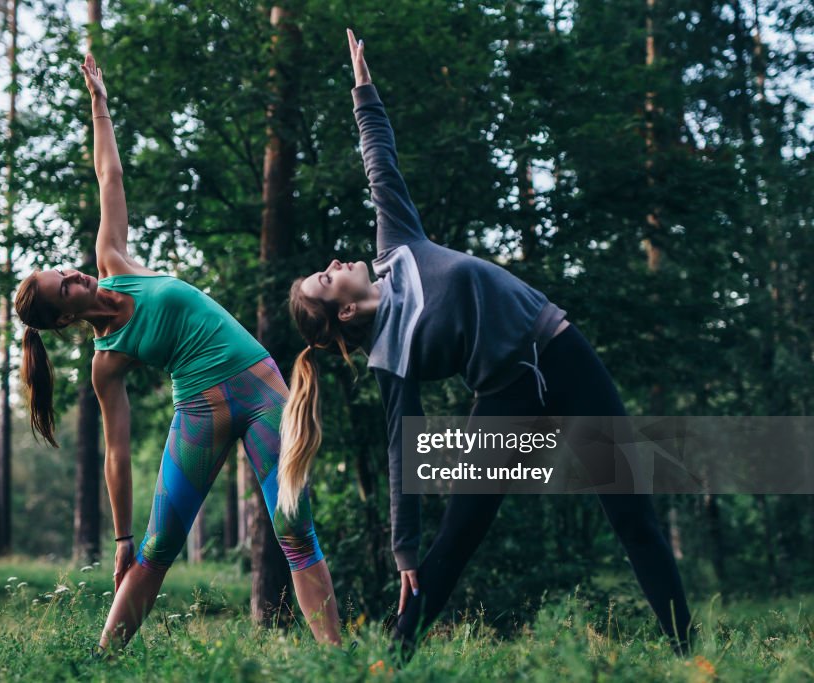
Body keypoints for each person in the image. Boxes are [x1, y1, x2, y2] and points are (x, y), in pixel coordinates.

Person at [277, 29, 691, 657]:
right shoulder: (391, 356)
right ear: (342, 310)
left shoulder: (399, 248)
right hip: (506, 397)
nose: (336, 261)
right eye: (326, 276)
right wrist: (403, 547)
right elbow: (401, 451)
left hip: (562, 353)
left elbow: (379, 163)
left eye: (328, 265)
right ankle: (393, 663)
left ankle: (689, 651)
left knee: (632, 512)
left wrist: (363, 90)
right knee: (457, 538)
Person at [14, 53, 340, 651]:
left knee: (296, 532)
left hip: (265, 390)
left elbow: (108, 177)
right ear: (63, 317)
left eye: (66, 269)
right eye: (67, 287)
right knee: (156, 549)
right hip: (201, 414)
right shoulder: (106, 360)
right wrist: (119, 538)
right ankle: (101, 660)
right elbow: (116, 451)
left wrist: (100, 103)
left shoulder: (116, 260)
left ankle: (340, 663)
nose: (76, 275)